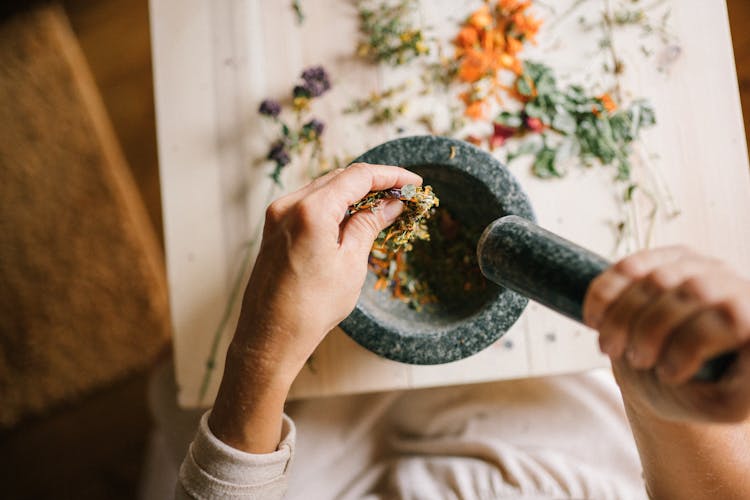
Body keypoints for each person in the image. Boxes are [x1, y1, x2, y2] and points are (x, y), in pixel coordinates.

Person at [174, 164, 750, 499]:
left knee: (182, 385)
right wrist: (669, 404)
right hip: (575, 442)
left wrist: (261, 351)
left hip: (338, 478)